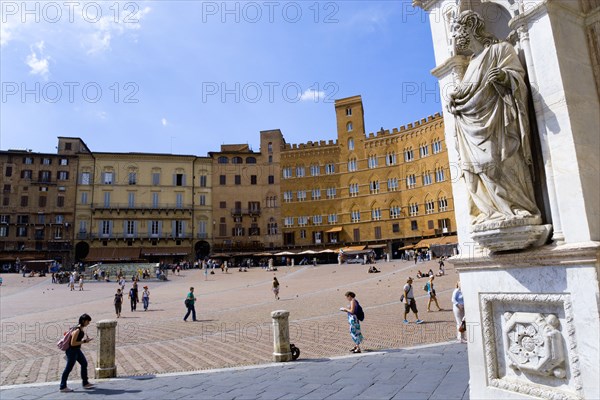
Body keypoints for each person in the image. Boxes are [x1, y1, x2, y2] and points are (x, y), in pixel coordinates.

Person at [448, 10, 541, 229]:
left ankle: (518, 208)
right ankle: (492, 212)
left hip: (498, 125)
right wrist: (455, 102)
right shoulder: (470, 65)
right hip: (471, 131)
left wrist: (504, 77)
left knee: (499, 162)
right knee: (478, 168)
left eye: (457, 30)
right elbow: (466, 95)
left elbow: (517, 77)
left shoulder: (500, 50)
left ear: (471, 26)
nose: (454, 37)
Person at [59, 313, 95, 392]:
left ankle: (85, 383)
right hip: (72, 351)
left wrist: (85, 340)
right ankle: (62, 387)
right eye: (87, 321)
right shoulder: (77, 330)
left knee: (84, 363)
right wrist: (84, 341)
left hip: (76, 350)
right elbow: (72, 343)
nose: (88, 323)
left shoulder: (80, 328)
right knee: (68, 368)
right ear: (83, 321)